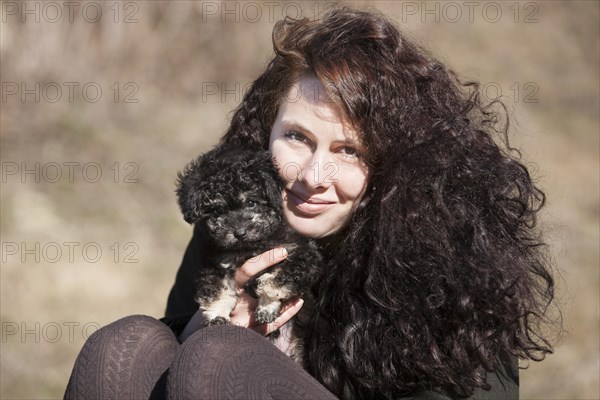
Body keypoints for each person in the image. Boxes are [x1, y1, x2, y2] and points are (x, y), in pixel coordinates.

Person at [65, 6, 557, 400]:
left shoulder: (446, 257)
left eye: (349, 151)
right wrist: (215, 321)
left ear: (398, 166)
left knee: (220, 362)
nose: (312, 177)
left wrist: (241, 359)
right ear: (266, 132)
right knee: (127, 345)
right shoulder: (235, 221)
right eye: (297, 137)